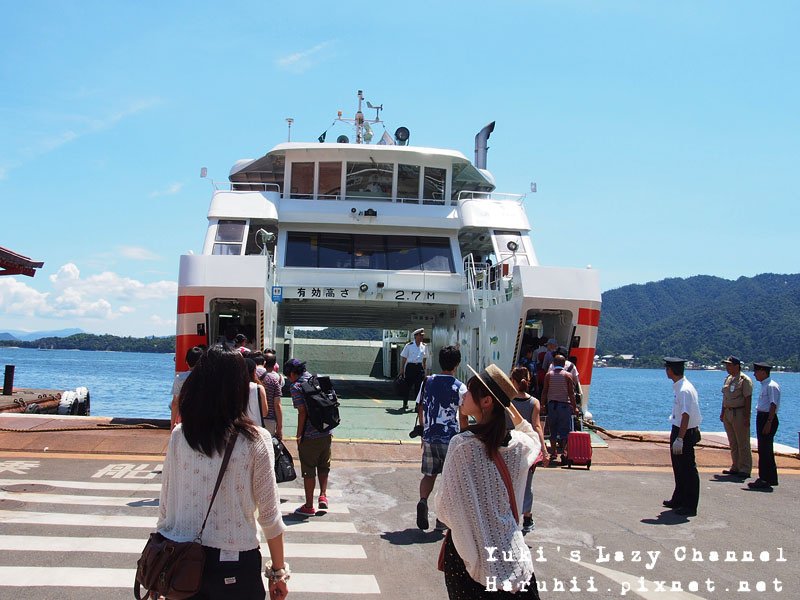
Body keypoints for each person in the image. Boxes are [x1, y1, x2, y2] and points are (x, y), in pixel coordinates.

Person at [158, 344, 289, 600]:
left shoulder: (180, 436)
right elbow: (270, 516)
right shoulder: (256, 440)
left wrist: (161, 559)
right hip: (236, 563)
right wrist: (278, 571)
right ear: (239, 388)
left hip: (181, 562)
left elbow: (165, 508)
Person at [433, 364, 541, 598]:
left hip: (466, 558)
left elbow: (444, 508)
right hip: (511, 553)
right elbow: (535, 439)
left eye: (470, 390)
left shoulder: (462, 446)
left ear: (486, 402)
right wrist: (511, 408)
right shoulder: (520, 446)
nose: (463, 394)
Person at [415, 345, 468, 532]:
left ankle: (423, 501)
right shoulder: (459, 387)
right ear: (457, 364)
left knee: (429, 474)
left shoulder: (427, 381)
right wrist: (466, 436)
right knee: (449, 480)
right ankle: (441, 519)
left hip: (429, 436)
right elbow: (463, 415)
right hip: (450, 439)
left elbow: (420, 406)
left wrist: (423, 428)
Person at [284, 358, 331, 516]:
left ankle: (309, 505)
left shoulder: (296, 387)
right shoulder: (318, 379)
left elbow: (302, 412)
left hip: (310, 435)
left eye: (288, 376)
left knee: (309, 469)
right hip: (326, 431)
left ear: (292, 373)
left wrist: (299, 434)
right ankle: (323, 496)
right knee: (324, 465)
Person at [508, 366, 548, 534]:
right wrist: (544, 451)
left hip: (509, 446)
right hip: (528, 449)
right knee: (527, 484)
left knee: (507, 482)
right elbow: (537, 426)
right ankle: (527, 517)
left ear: (513, 382)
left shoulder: (507, 401)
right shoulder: (534, 402)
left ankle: (509, 515)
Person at [662, 357, 702, 517]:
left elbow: (686, 415)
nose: (666, 371)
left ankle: (690, 505)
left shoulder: (684, 390)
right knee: (679, 467)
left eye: (667, 368)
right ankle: (678, 498)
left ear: (671, 370)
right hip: (679, 429)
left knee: (687, 469)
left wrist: (680, 438)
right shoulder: (680, 387)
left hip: (684, 431)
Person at [719, 356, 753, 478]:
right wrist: (722, 412)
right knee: (733, 441)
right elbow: (725, 397)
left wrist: (746, 417)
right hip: (728, 412)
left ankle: (745, 468)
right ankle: (735, 466)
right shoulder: (728, 379)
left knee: (742, 441)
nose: (727, 367)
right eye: (726, 365)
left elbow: (748, 399)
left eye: (730, 365)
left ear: (737, 366)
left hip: (739, 412)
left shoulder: (744, 380)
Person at [749, 362, 781, 490]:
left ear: (763, 371)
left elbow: (773, 405)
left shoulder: (771, 386)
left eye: (756, 371)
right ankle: (768, 478)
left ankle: (765, 479)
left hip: (767, 417)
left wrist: (768, 422)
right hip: (762, 416)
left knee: (766, 449)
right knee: (763, 449)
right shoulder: (765, 385)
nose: (754, 374)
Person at [540, 355, 577, 464]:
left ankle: (553, 452)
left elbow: (545, 391)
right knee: (565, 431)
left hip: (552, 406)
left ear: (553, 364)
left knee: (553, 430)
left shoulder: (548, 375)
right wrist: (574, 407)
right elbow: (571, 393)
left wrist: (542, 404)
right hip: (564, 406)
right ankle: (565, 453)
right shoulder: (567, 375)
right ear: (564, 363)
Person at [170, 346, 204, 430]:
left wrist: (172, 424)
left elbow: (175, 403)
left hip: (185, 418)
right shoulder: (207, 377)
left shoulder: (180, 378)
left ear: (186, 361)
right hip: (203, 418)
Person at [400, 328, 429, 411]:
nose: (422, 337)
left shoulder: (424, 346)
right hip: (410, 367)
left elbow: (424, 360)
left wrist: (425, 371)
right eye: (420, 335)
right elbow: (404, 358)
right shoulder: (409, 345)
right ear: (416, 336)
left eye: (422, 335)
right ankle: (405, 403)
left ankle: (417, 405)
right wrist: (402, 369)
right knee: (407, 386)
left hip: (419, 368)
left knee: (419, 387)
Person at [260, 350, 283, 439]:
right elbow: (277, 405)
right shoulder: (276, 379)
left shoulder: (256, 377)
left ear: (263, 363)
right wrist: (280, 427)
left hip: (256, 417)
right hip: (270, 419)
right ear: (274, 365)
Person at [246, 358, 269, 430]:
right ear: (254, 371)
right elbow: (264, 412)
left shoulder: (233, 387)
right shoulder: (258, 388)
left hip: (237, 430)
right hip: (256, 428)